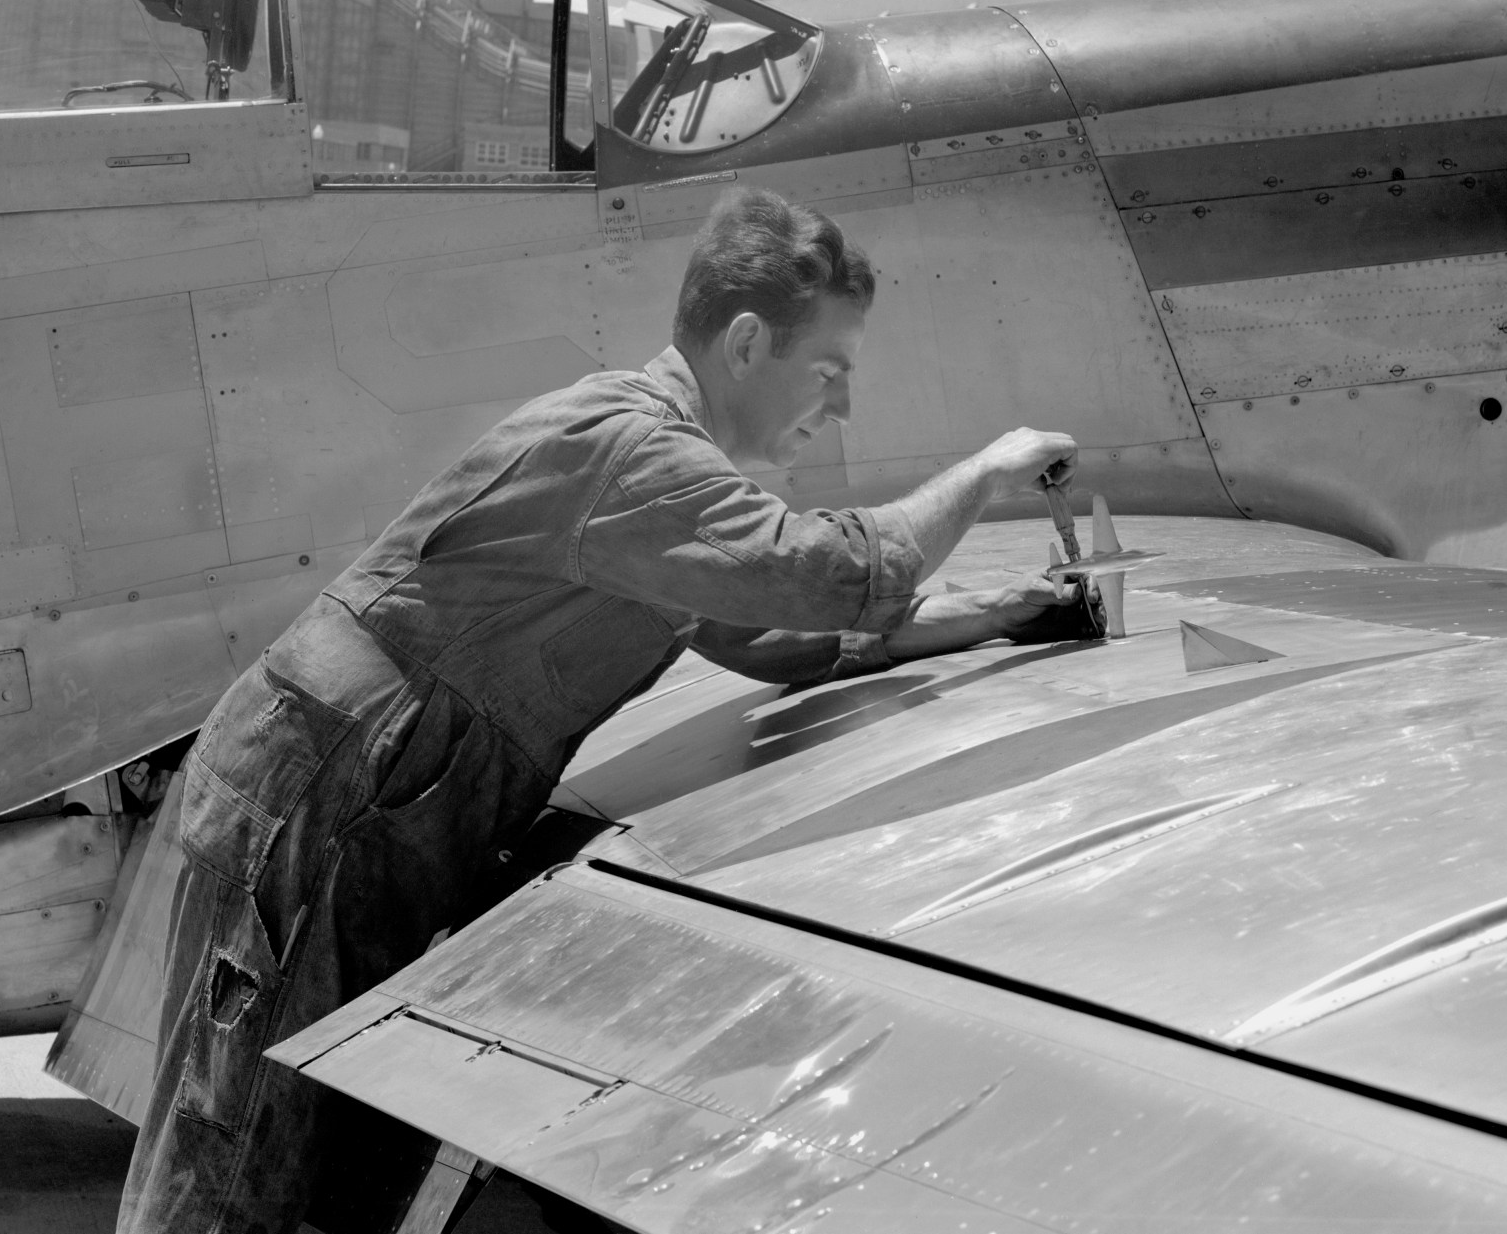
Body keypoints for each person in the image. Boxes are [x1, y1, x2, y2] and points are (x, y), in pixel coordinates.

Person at [120, 185, 1086, 1232]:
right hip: (315, 811)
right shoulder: (633, 453)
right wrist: (986, 472)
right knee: (237, 1168)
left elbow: (765, 631)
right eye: (828, 371)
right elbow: (825, 573)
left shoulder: (656, 473)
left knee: (321, 1171)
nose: (840, 405)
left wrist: (981, 616)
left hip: (351, 811)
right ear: (748, 343)